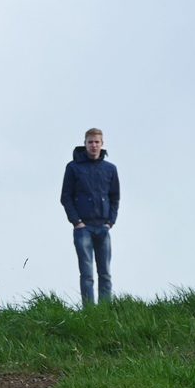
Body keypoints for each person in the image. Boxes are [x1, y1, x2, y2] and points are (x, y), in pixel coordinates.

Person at [61, 128, 120, 305]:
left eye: (97, 142)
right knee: (86, 274)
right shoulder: (74, 167)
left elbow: (115, 197)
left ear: (102, 144)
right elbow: (66, 197)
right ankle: (89, 311)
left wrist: (110, 222)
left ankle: (105, 311)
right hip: (83, 228)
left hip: (103, 227)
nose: (93, 145)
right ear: (85, 143)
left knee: (105, 273)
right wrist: (77, 222)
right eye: (90, 142)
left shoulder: (110, 169)